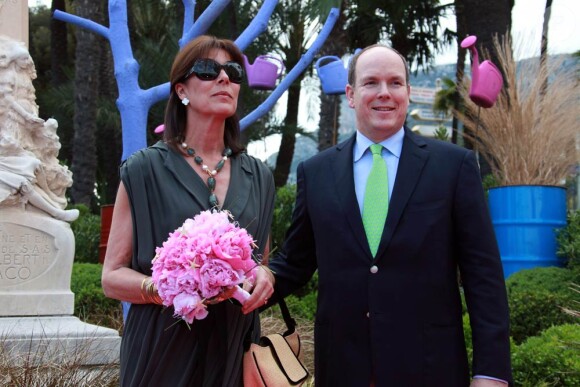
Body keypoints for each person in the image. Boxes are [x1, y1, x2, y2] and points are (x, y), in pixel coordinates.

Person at [243, 44, 512, 386]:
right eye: (371, 82)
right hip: (343, 368)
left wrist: (492, 373)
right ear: (352, 94)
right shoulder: (316, 173)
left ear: (408, 93)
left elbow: (483, 277)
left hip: (431, 368)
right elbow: (295, 262)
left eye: (395, 83)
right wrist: (257, 279)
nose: (385, 93)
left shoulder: (454, 167)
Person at [101, 35, 276, 386]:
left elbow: (261, 264)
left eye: (233, 72)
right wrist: (174, 288)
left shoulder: (260, 176)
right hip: (162, 351)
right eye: (209, 70)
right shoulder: (143, 170)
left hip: (235, 351)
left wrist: (265, 279)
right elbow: (112, 277)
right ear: (181, 90)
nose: (224, 78)